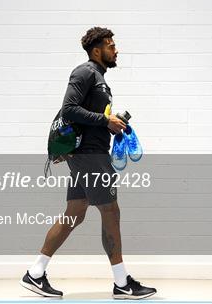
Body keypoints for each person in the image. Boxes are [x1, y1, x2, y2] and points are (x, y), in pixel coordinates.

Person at [20, 27, 156, 300]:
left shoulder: (99, 79)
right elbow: (69, 108)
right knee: (111, 211)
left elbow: (88, 114)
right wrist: (105, 121)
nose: (116, 50)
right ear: (97, 50)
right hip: (89, 155)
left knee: (76, 212)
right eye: (111, 45)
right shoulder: (84, 72)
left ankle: (35, 273)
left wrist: (112, 122)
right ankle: (121, 282)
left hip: (89, 154)